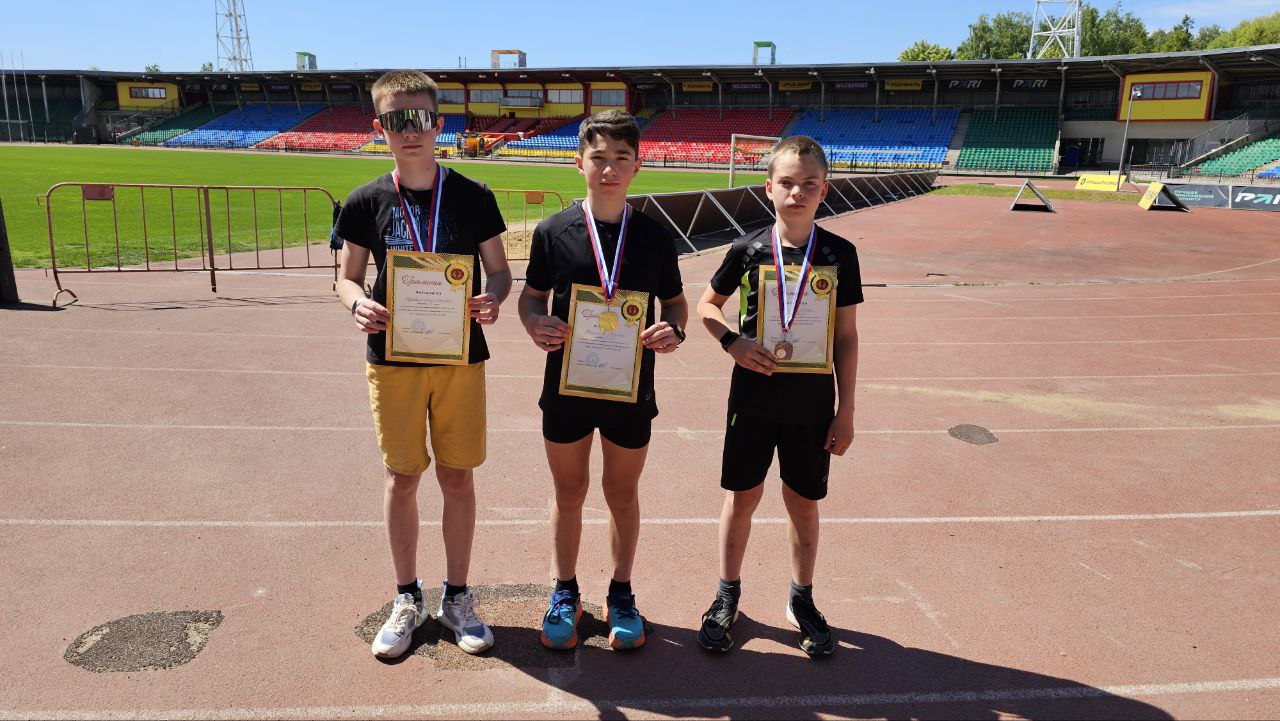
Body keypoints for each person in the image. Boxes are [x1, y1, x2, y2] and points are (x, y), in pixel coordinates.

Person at [333, 70, 512, 659]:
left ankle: (457, 596)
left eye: (420, 118)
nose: (409, 130)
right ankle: (406, 596)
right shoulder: (365, 200)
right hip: (393, 358)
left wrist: (493, 298)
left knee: (457, 477)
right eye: (396, 119)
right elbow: (346, 277)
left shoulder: (474, 196)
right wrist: (357, 303)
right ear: (379, 126)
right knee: (403, 478)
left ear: (439, 124)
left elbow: (500, 271)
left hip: (460, 357)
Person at [518, 109, 688, 651]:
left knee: (621, 492)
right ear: (579, 163)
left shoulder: (655, 237)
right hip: (566, 387)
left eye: (621, 158)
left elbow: (676, 304)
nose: (609, 168)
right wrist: (534, 323)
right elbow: (530, 298)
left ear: (637, 166)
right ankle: (564, 590)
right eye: (599, 157)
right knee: (569, 491)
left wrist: (674, 331)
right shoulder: (553, 231)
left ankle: (621, 592)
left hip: (629, 388)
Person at [694, 135, 861, 657]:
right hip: (753, 397)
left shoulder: (840, 254)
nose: (797, 192)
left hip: (812, 403)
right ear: (769, 188)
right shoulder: (748, 249)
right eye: (787, 182)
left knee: (803, 502)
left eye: (809, 183)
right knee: (742, 496)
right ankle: (727, 594)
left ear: (824, 190)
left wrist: (846, 411)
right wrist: (733, 342)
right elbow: (706, 305)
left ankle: (801, 598)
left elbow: (846, 337)